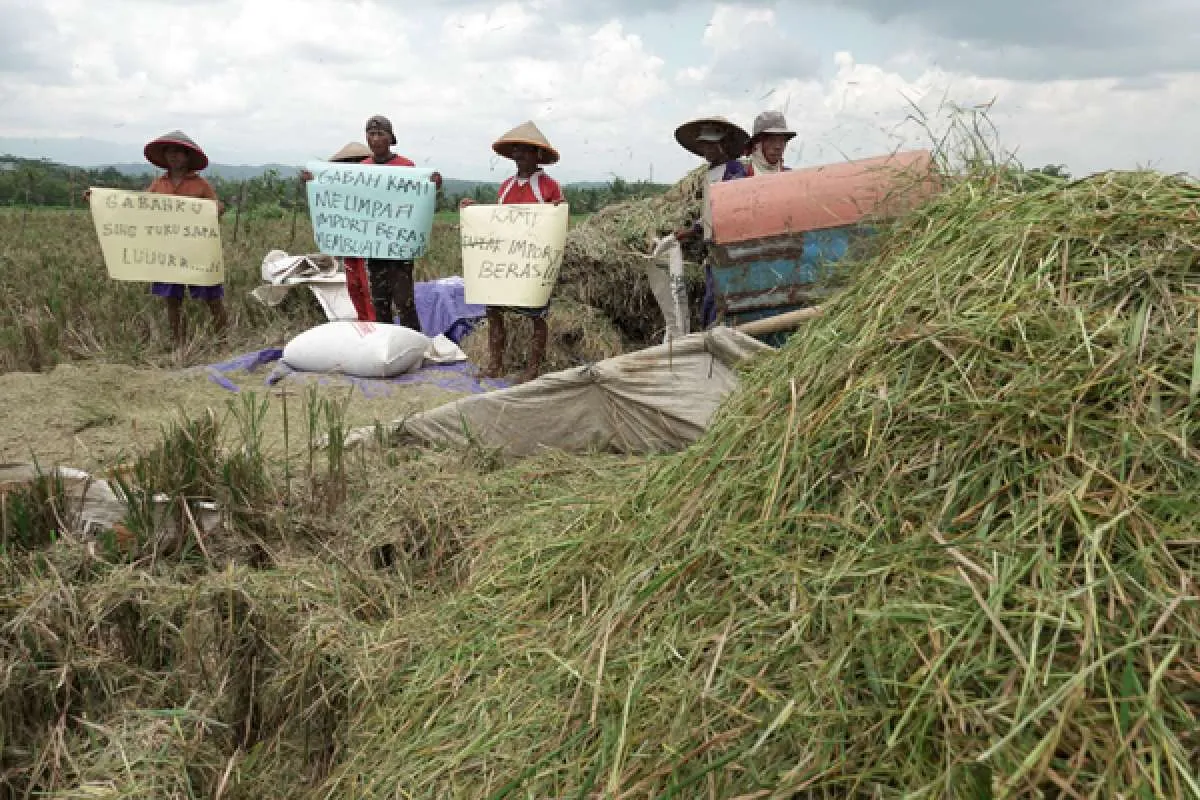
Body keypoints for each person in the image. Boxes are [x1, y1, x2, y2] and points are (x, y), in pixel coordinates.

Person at [88, 130, 227, 348]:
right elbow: (137, 206)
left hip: (195, 251)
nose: (174, 156)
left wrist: (216, 209)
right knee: (172, 300)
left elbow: (216, 207)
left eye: (178, 152)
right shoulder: (158, 184)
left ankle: (223, 340)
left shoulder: (201, 185)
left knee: (211, 297)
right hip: (166, 252)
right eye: (170, 152)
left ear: (187, 157)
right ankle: (178, 343)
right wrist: (97, 199)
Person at [302, 115, 442, 329]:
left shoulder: (406, 166)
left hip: (399, 247)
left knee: (404, 302)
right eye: (371, 134)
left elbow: (418, 196)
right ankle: (385, 343)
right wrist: (314, 182)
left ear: (390, 138)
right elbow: (345, 196)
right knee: (379, 303)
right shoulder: (363, 168)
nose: (375, 139)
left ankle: (414, 342)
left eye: (380, 134)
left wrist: (433, 184)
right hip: (374, 249)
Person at [461, 121, 564, 383]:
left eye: (526, 150)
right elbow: (498, 220)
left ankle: (532, 368)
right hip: (505, 263)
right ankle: (495, 364)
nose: (520, 155)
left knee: (536, 316)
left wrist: (558, 210)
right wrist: (473, 211)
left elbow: (555, 224)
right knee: (494, 313)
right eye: (517, 150)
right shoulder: (506, 186)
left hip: (532, 264)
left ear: (537, 154)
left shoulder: (548, 186)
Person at [670, 116, 751, 329]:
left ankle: (716, 333)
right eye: (704, 145)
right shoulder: (710, 173)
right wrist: (693, 230)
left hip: (727, 245)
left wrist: (695, 230)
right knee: (711, 297)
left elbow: (729, 208)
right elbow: (708, 211)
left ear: (723, 145)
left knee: (718, 296)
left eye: (711, 145)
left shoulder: (734, 171)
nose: (706, 150)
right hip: (712, 245)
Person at [326, 141, 375, 321]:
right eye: (349, 162)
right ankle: (363, 320)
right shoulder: (340, 189)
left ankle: (373, 322)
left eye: (358, 161)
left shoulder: (373, 187)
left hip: (369, 243)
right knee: (354, 285)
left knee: (367, 285)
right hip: (349, 243)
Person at [744, 110, 795, 175]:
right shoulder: (739, 175)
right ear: (757, 143)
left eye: (782, 140)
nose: (778, 146)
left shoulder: (790, 175)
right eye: (771, 140)